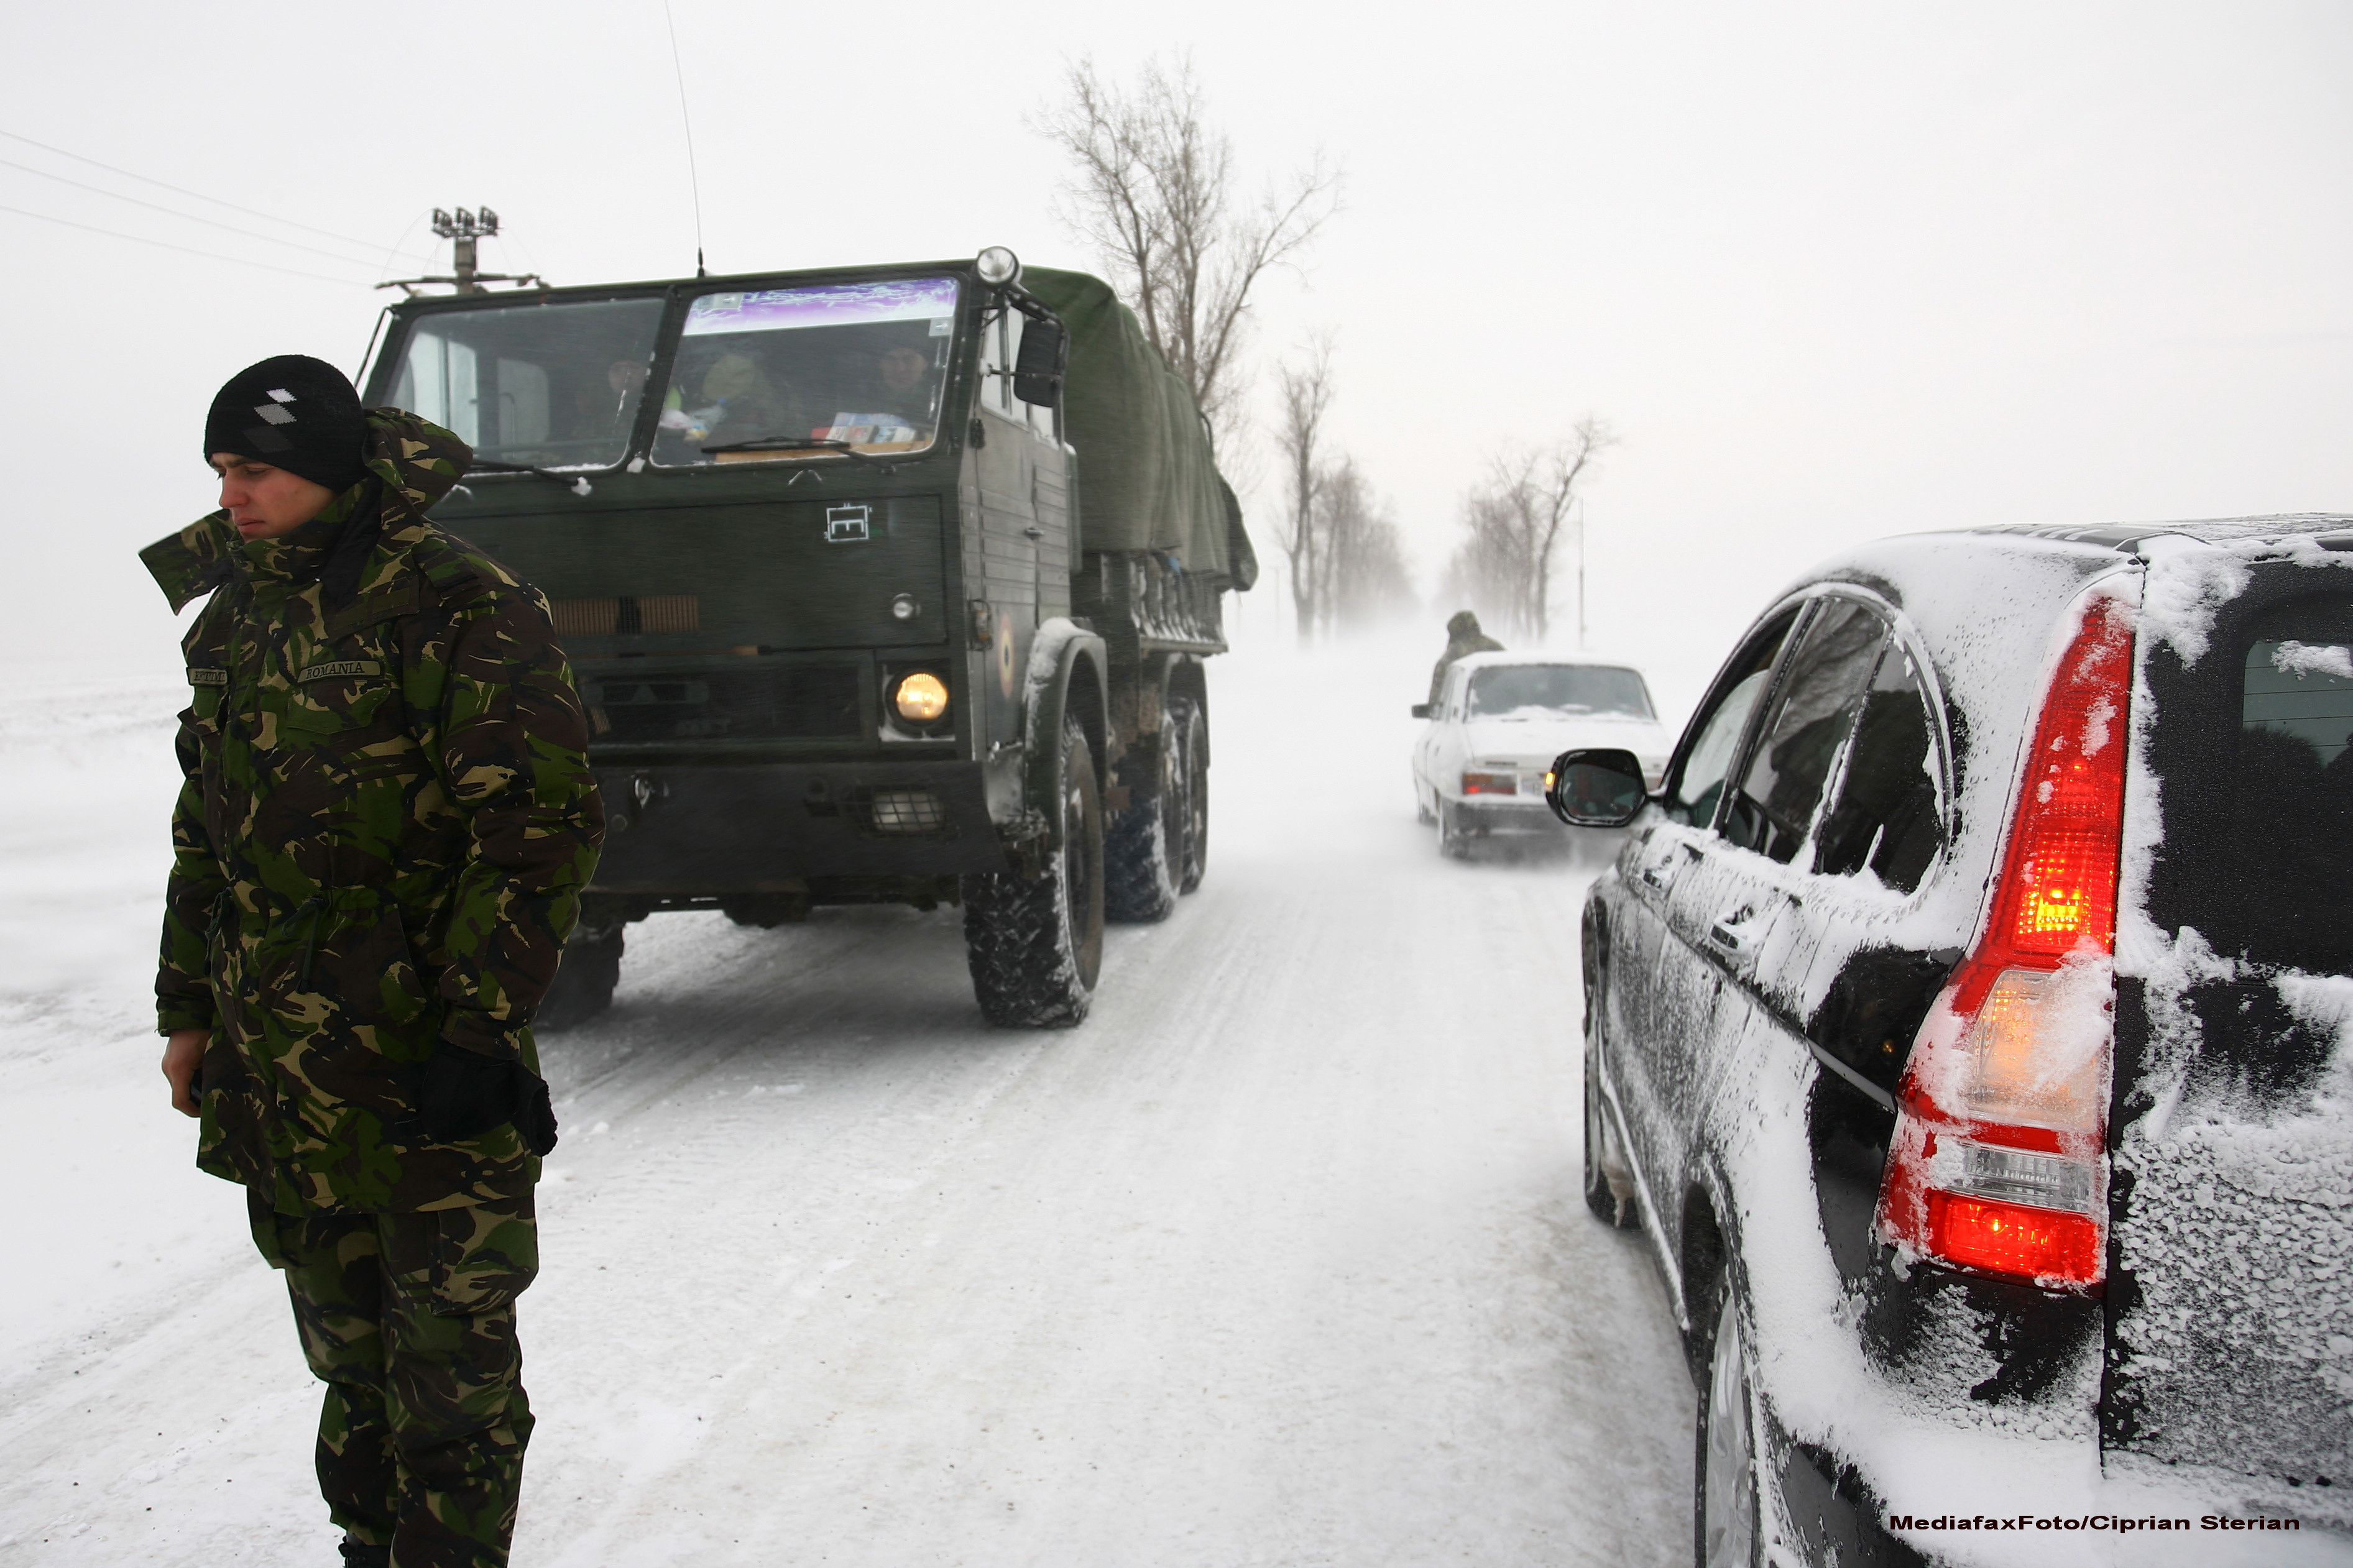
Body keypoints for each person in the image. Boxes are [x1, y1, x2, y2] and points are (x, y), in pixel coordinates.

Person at [142, 354, 605, 1568]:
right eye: (222, 473)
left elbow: (537, 831)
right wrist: (189, 1012)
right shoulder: (240, 608)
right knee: (348, 1363)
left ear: (330, 470)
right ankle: (371, 1548)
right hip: (286, 1068)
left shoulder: (458, 602)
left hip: (423, 1064)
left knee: (448, 1376)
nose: (231, 496)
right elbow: (210, 833)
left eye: (255, 470)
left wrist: (473, 1027)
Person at [1429, 609, 1505, 708]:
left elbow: (1441, 670)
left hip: (1465, 706)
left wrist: (1432, 706)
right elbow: (1508, 669)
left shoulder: (1455, 651)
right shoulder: (1494, 646)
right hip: (1499, 702)